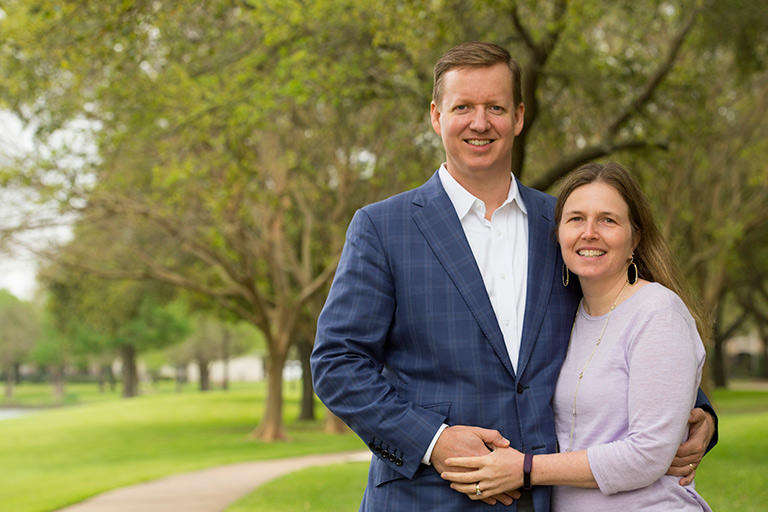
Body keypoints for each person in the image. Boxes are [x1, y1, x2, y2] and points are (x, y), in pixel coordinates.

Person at [311, 41, 717, 512]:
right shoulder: (382, 228)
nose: (479, 122)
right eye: (463, 106)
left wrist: (699, 413)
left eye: (495, 107)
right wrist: (433, 441)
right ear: (436, 117)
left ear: (519, 117)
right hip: (425, 498)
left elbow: (621, 317)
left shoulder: (564, 226)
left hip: (544, 499)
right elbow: (337, 362)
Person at [441, 162, 713, 511]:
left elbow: (648, 453)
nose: (589, 232)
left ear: (635, 238)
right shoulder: (569, 314)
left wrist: (525, 469)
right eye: (576, 219)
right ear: (558, 235)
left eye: (608, 220)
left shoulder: (658, 312)